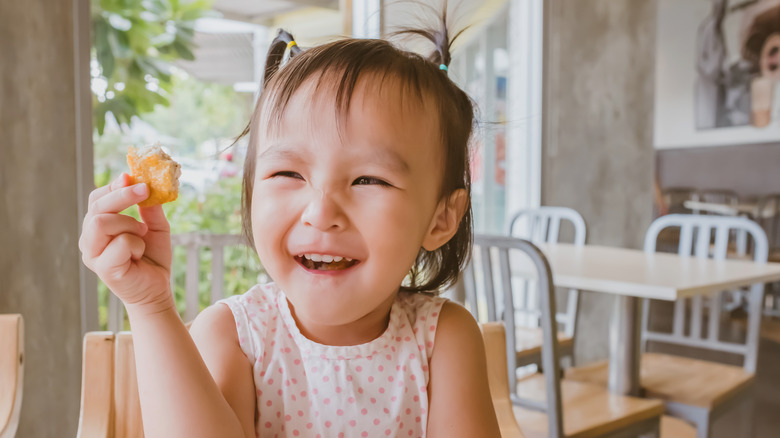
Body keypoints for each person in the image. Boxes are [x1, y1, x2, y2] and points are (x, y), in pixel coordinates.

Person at [78, 18, 501, 438]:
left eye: (368, 180)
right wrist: (150, 305)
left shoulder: (442, 340)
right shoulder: (237, 336)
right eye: (288, 174)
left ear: (442, 218)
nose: (320, 212)